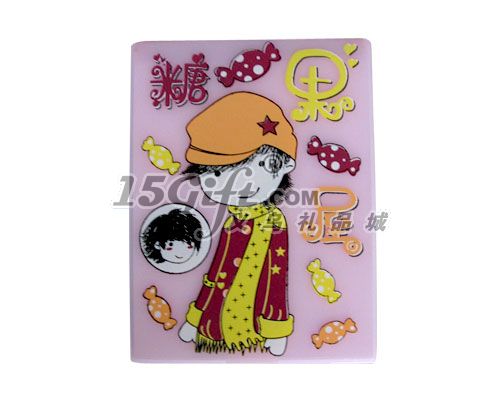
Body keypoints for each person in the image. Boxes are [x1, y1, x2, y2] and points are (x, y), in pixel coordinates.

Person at [178, 92, 297, 356]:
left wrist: (276, 328)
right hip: (213, 323)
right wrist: (195, 318)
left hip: (252, 324)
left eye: (258, 165)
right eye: (217, 172)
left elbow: (276, 277)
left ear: (286, 164)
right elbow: (215, 273)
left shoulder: (273, 223)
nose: (239, 183)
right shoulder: (232, 221)